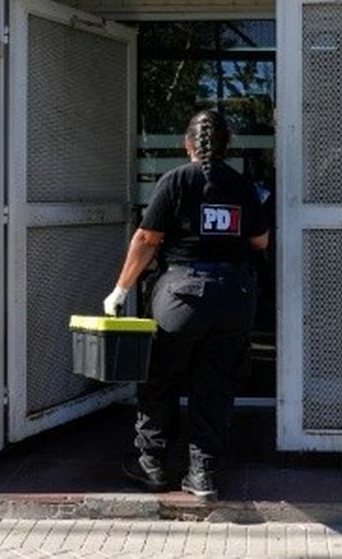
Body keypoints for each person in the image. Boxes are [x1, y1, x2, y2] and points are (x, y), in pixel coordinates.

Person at [102, 109, 269, 501]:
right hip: (233, 298)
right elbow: (260, 242)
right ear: (226, 144)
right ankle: (203, 475)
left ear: (187, 144)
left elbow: (146, 239)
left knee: (160, 378)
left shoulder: (176, 180)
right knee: (215, 385)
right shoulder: (242, 186)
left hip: (181, 296)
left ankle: (151, 465)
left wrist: (120, 290)